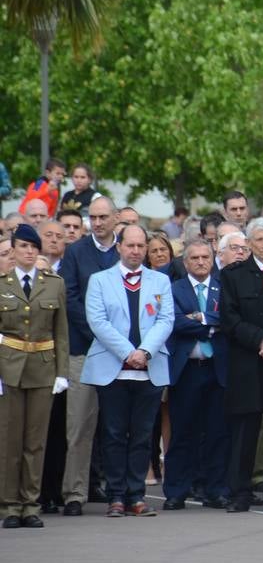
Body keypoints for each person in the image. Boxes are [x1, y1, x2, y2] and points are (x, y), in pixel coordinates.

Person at [81, 224, 173, 517]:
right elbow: (98, 321)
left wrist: (144, 352)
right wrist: (127, 353)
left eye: (140, 246)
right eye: (130, 245)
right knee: (113, 433)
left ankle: (136, 495)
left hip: (149, 368)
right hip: (113, 369)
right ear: (119, 247)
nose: (135, 251)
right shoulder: (99, 281)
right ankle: (116, 496)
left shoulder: (160, 281)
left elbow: (165, 320)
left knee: (143, 434)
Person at [218, 218, 263, 512]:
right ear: (248, 243)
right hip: (247, 361)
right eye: (258, 240)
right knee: (245, 432)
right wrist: (260, 341)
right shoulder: (233, 275)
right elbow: (229, 318)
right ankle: (240, 493)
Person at [0, 224, 69, 529]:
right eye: (23, 246)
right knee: (10, 440)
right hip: (10, 367)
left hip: (43, 366)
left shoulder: (53, 284)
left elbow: (61, 332)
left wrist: (62, 372)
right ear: (13, 250)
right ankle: (10, 505)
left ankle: (30, 503)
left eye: (33, 247)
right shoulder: (2, 284)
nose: (29, 252)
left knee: (35, 441)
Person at [59, 195, 121, 516]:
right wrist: (100, 332)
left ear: (115, 218)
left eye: (102, 217)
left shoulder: (127, 250)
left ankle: (120, 492)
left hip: (122, 354)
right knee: (79, 426)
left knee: (118, 427)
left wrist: (119, 341)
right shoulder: (75, 252)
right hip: (84, 349)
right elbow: (69, 297)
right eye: (92, 218)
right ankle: (74, 493)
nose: (97, 223)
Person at [163, 237, 230, 509]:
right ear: (185, 262)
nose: (201, 262)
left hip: (217, 369)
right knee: (182, 432)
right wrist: (210, 324)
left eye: (205, 257)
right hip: (187, 369)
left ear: (212, 259)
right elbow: (175, 322)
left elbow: (228, 317)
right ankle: (177, 491)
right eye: (195, 258)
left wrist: (199, 318)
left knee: (217, 432)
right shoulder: (174, 289)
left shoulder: (223, 287)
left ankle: (215, 489)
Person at [19, 159, 64, 225]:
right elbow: (30, 199)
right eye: (58, 173)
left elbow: (52, 208)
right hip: (26, 218)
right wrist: (47, 190)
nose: (60, 176)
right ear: (48, 173)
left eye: (62, 174)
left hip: (42, 220)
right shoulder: (38, 184)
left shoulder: (55, 190)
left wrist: (49, 220)